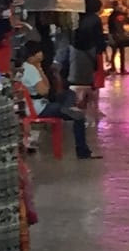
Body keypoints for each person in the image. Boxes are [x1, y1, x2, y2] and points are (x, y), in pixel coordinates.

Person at [15, 31, 95, 159]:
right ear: (33, 55)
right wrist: (39, 71)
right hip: (38, 108)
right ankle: (82, 151)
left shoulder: (29, 67)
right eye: (39, 52)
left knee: (68, 94)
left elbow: (47, 87)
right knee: (79, 116)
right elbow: (44, 91)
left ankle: (67, 108)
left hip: (38, 104)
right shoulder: (30, 70)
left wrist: (40, 69)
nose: (42, 54)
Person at [69, 0, 105, 116]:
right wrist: (100, 51)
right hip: (93, 52)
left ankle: (80, 103)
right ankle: (94, 108)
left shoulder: (79, 18)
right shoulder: (95, 19)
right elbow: (99, 38)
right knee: (96, 81)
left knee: (80, 80)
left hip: (78, 52)